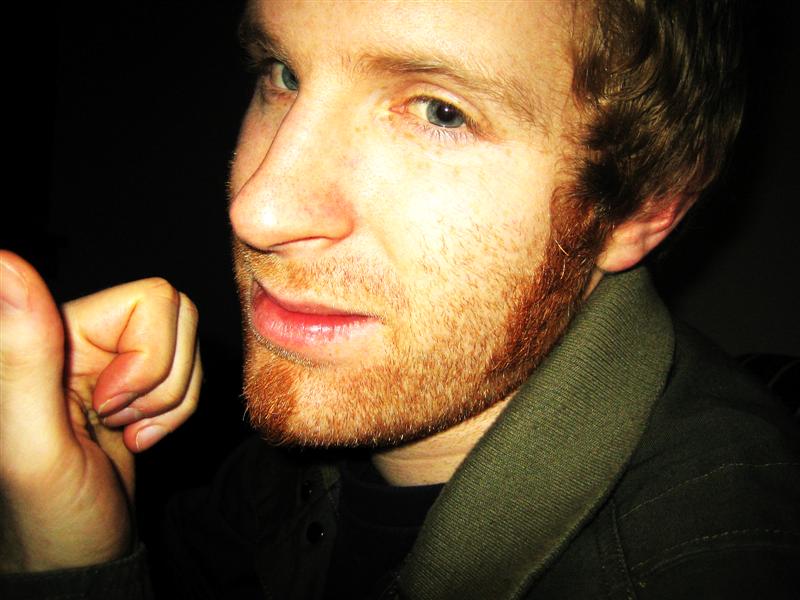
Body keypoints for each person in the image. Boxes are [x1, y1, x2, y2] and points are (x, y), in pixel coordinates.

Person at [2, 0, 798, 598]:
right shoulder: (289, 464)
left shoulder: (697, 563)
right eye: (282, 74)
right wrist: (76, 545)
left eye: (439, 112)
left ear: (642, 208)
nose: (259, 209)